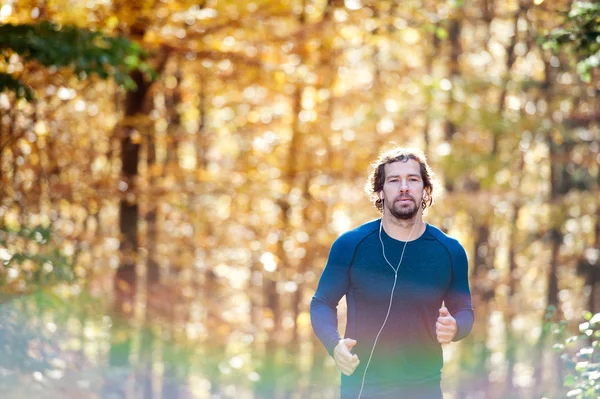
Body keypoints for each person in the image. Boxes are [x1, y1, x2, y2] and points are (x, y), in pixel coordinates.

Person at [310, 147, 474, 399]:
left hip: (425, 388)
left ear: (426, 190)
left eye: (413, 179)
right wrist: (334, 345)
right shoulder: (351, 245)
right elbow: (322, 302)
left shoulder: (449, 251)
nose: (404, 187)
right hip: (363, 388)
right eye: (394, 180)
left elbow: (465, 311)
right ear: (380, 190)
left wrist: (456, 327)